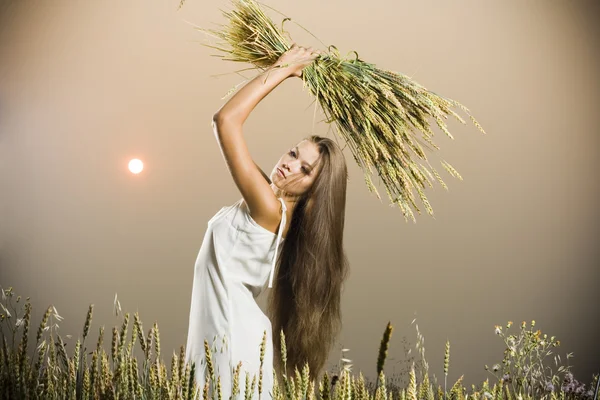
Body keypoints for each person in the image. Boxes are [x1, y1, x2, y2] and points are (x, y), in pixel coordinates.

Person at [185, 44, 350, 399]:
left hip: (231, 342)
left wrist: (283, 68)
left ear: (312, 192)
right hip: (225, 335)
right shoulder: (269, 199)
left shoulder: (268, 209)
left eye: (304, 170)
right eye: (293, 153)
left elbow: (225, 121)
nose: (290, 165)